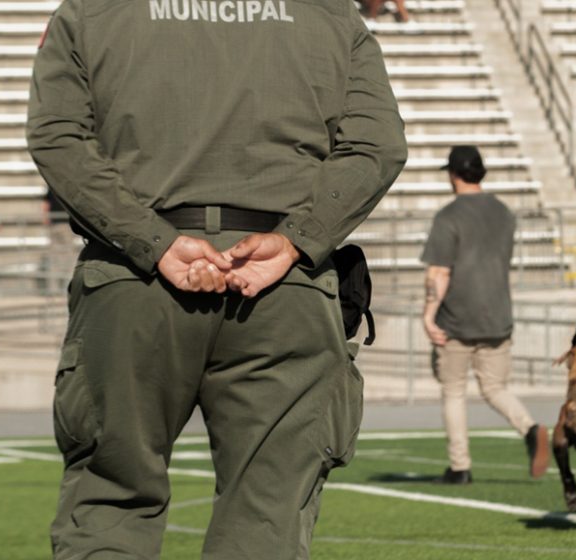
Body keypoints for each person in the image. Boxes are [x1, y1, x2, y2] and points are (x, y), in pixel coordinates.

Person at [27, 1, 407, 558]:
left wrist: (152, 241)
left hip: (135, 280)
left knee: (110, 505)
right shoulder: (329, 14)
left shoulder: (92, 10)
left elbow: (57, 137)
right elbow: (378, 144)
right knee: (267, 517)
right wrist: (296, 239)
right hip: (281, 283)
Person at [421, 145, 549, 485]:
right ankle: (530, 427)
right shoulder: (504, 213)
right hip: (497, 314)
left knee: (454, 391)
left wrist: (429, 315)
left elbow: (439, 272)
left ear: (453, 175)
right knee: (494, 387)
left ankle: (460, 466)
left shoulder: (448, 216)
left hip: (457, 318)